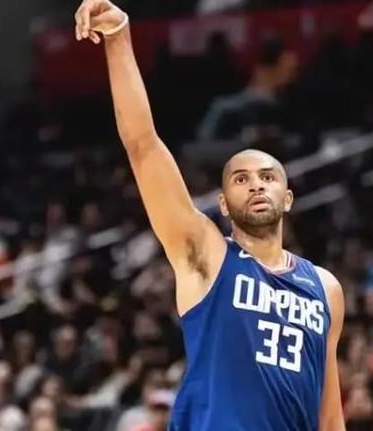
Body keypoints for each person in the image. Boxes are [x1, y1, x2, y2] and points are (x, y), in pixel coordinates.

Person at [73, 1, 346, 430]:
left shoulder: (326, 288)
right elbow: (143, 146)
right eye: (241, 179)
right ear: (223, 204)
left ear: (288, 198)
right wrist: (119, 38)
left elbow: (329, 415)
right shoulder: (207, 255)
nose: (256, 185)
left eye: (267, 177)